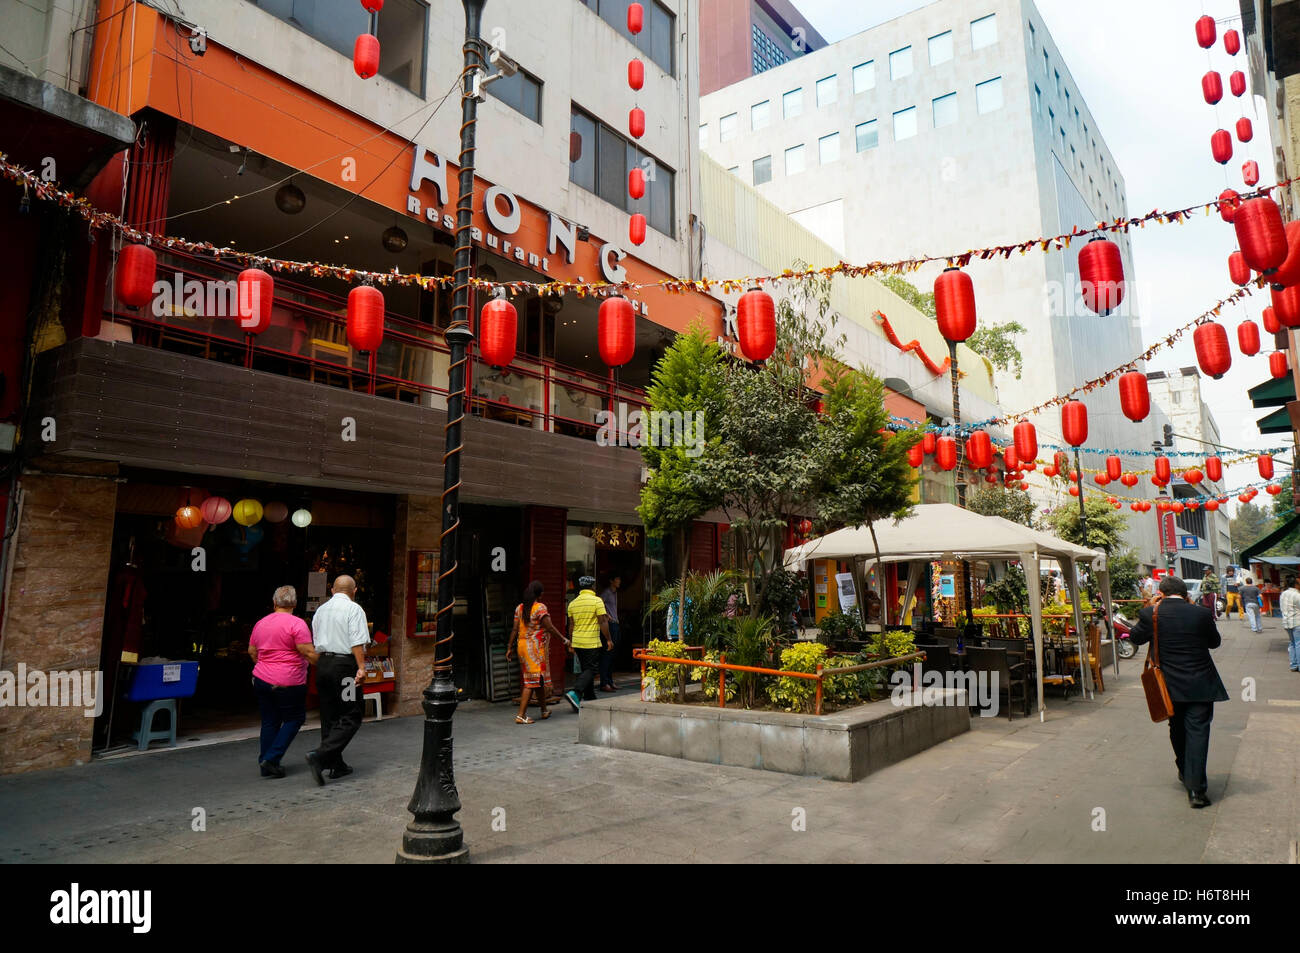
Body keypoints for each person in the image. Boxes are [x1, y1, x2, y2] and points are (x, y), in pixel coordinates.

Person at [1128, 575, 1228, 808]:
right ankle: (1196, 790)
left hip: (1168, 685)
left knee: (1176, 728)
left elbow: (1134, 638)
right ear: (1185, 595)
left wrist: (1150, 609)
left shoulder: (1150, 614)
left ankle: (1184, 770)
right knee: (1198, 733)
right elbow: (1214, 643)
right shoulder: (1202, 613)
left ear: (1161, 593)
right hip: (1201, 683)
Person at [307, 575, 370, 785]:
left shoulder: (321, 610)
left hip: (323, 666)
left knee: (329, 715)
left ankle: (336, 765)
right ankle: (321, 756)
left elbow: (316, 641)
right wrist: (361, 667)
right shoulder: (354, 609)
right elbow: (357, 641)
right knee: (351, 713)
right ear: (354, 591)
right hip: (344, 668)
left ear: (332, 590)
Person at [247, 586, 316, 779]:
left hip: (261, 678)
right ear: (294, 604)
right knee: (295, 719)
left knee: (270, 721)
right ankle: (271, 757)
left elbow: (252, 651)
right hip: (289, 681)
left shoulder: (260, 623)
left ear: (275, 603)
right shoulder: (297, 624)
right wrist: (324, 664)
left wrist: (265, 666)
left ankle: (266, 763)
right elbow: (307, 652)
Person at [506, 580, 569, 723]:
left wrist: (509, 647)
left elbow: (515, 629)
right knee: (530, 682)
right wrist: (564, 640)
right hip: (533, 648)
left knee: (537, 680)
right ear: (540, 594)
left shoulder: (520, 608)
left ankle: (544, 710)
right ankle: (521, 716)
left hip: (522, 646)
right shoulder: (540, 608)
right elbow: (550, 627)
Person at [564, 576, 611, 711]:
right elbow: (603, 622)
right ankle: (575, 692)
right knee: (591, 670)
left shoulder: (573, 603)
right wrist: (608, 639)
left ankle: (589, 698)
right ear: (593, 587)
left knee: (586, 669)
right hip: (591, 642)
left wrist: (571, 642)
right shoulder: (597, 601)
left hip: (578, 642)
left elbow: (571, 625)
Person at [598, 574, 622, 692]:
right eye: (617, 579)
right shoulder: (607, 592)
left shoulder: (614, 593)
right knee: (607, 653)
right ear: (611, 580)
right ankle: (604, 682)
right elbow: (599, 602)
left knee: (613, 654)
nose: (619, 581)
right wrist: (606, 616)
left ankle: (610, 681)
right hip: (610, 625)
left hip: (615, 624)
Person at [1281, 574, 1300, 673]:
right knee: (1298, 644)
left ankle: (1293, 665)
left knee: (1292, 643)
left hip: (1286, 623)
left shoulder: (1283, 594)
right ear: (1296, 584)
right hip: (1297, 622)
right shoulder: (1297, 595)